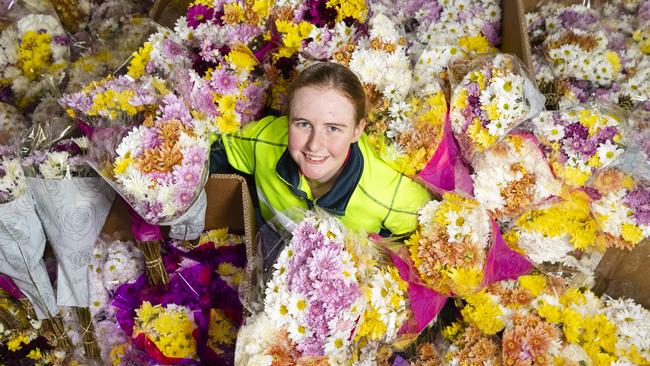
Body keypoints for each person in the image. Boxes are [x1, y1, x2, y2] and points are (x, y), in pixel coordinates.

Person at [210, 62, 432, 237]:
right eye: (303, 124)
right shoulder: (264, 140)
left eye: (333, 128)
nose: (314, 145)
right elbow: (218, 150)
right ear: (288, 120)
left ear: (357, 130)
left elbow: (429, 248)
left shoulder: (393, 195)